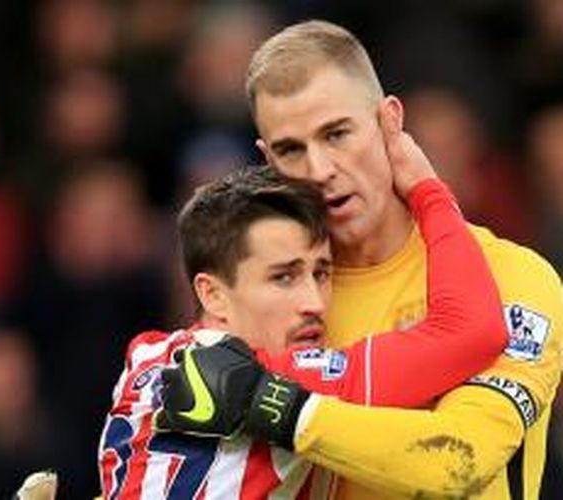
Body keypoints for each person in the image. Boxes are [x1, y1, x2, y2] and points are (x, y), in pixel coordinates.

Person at [161, 19, 563, 498]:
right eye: (292, 149)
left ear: (389, 121)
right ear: (268, 162)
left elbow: (462, 459)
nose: (320, 170)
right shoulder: (273, 300)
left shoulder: (510, 275)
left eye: (336, 134)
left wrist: (281, 408)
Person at [99, 145, 506, 498]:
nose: (313, 302)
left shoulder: (144, 356)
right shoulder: (274, 378)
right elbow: (474, 330)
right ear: (212, 293)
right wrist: (427, 191)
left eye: (322, 273)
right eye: (284, 277)